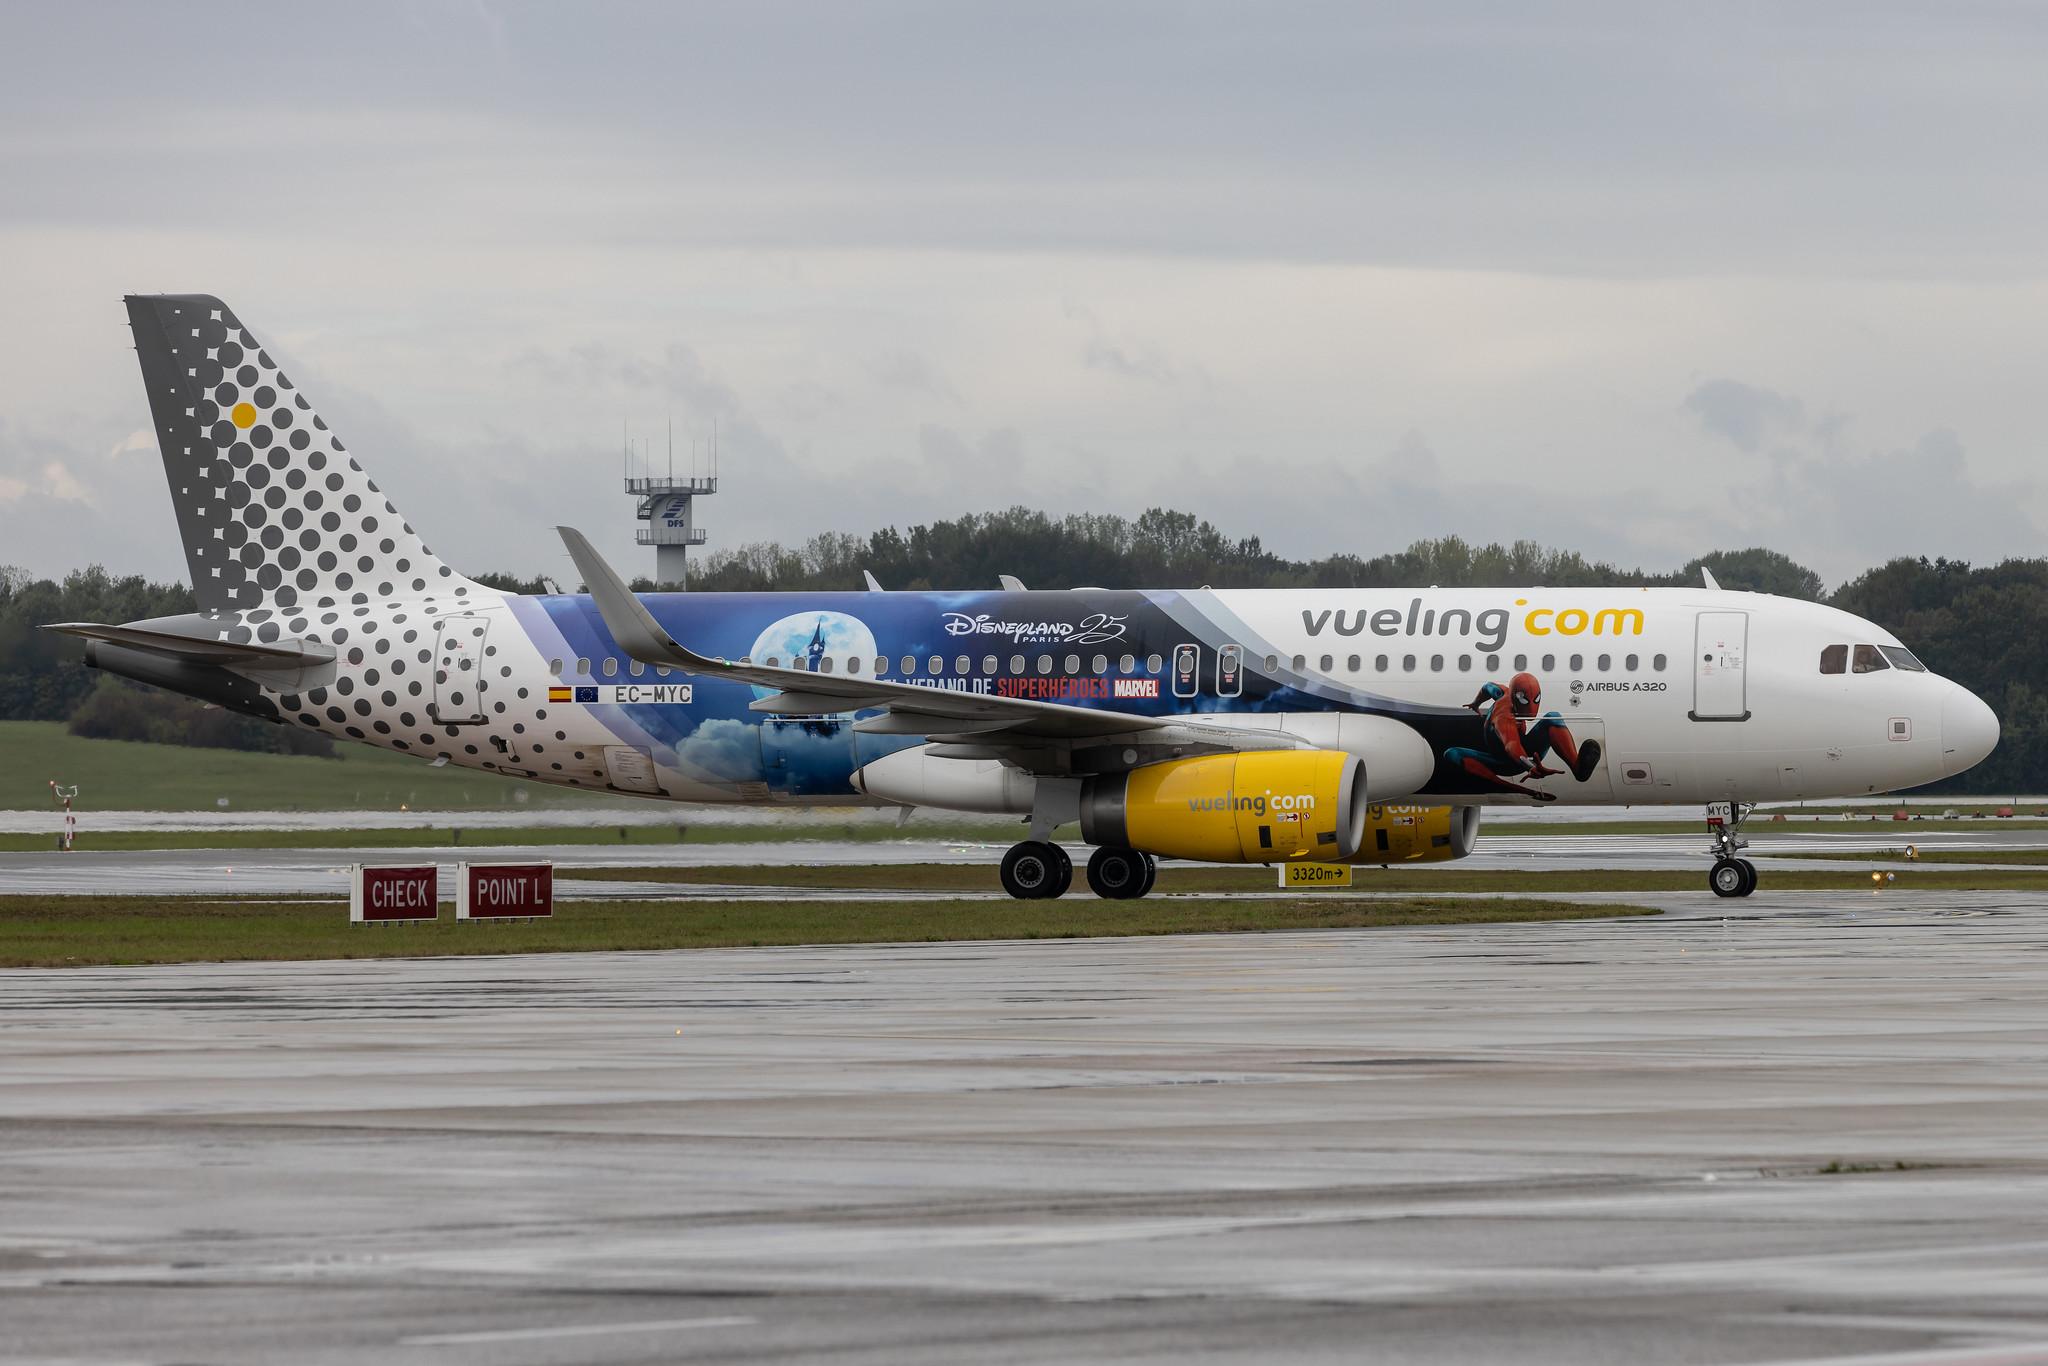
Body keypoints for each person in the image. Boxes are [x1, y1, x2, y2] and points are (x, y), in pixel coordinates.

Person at [1444, 671, 1602, 801]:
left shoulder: (1502, 692)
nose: (1532, 706)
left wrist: (1476, 703)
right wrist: (1531, 766)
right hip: (1507, 761)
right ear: (1514, 698)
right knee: (1452, 753)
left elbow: (1487, 687)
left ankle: (1578, 768)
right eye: (1524, 700)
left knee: (1553, 716)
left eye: (1536, 699)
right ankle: (1509, 787)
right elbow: (1511, 745)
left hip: (1527, 753)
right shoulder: (1504, 718)